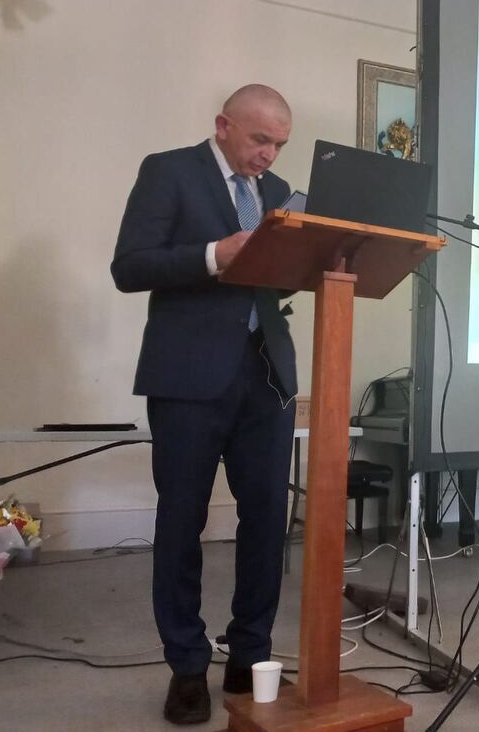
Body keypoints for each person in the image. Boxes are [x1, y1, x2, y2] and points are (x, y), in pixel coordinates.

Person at [111, 84, 298, 725]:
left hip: (266, 376)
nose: (269, 155)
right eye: (260, 140)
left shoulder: (279, 194)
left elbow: (274, 282)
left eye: (279, 144)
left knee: (268, 520)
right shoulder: (169, 171)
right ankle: (187, 667)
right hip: (188, 375)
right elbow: (129, 267)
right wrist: (215, 255)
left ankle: (250, 656)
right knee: (181, 521)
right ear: (224, 125)